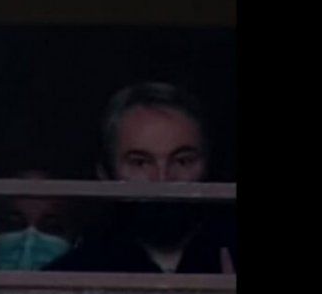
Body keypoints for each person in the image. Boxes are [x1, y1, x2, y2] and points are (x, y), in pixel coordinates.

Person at [45, 82, 235, 273]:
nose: (162, 179)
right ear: (105, 173)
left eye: (182, 161)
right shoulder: (71, 275)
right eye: (140, 163)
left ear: (209, 165)